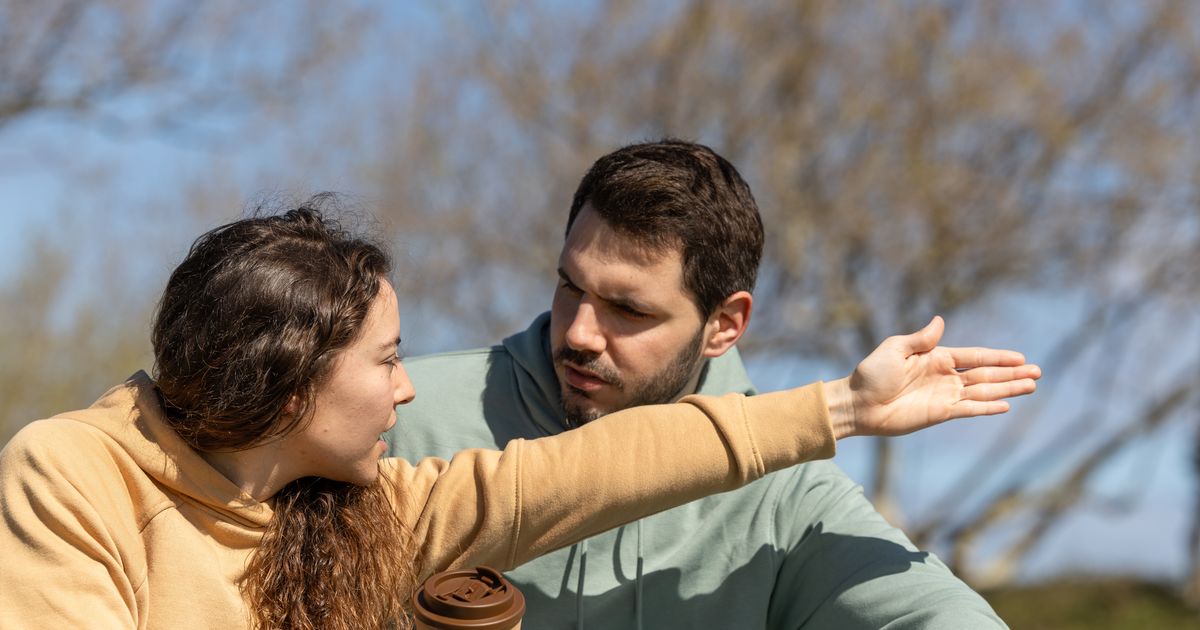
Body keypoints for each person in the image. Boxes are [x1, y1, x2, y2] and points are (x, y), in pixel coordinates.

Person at [0, 199, 1037, 629]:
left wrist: (843, 407)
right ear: (293, 380)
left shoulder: (352, 507)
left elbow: (577, 474)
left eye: (630, 308)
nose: (407, 390)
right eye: (388, 361)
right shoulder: (75, 473)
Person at [389, 140, 1038, 628]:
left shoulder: (780, 495)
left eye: (629, 309)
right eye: (570, 286)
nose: (581, 332)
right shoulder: (401, 417)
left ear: (725, 324)